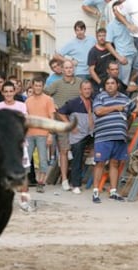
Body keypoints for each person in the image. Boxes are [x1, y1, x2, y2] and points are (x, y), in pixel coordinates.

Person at [92, 76, 135, 203]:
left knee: (115, 163)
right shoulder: (100, 97)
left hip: (119, 135)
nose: (110, 85)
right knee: (100, 163)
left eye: (112, 83)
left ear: (117, 85)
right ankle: (95, 192)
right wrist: (116, 107)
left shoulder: (125, 98)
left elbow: (134, 111)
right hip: (103, 136)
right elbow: (98, 111)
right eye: (107, 83)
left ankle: (113, 191)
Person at [0, 81, 32, 212]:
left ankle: (24, 201)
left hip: (19, 144)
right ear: (2, 92)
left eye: (11, 91)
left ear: (15, 92)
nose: (9, 94)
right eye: (6, 91)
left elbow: (25, 124)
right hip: (2, 146)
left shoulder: (21, 105)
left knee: (24, 172)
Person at [45, 60, 82, 191]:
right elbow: (44, 93)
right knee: (64, 151)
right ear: (63, 69)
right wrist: (52, 105)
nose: (68, 70)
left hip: (77, 120)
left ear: (73, 69)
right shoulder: (57, 83)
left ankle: (76, 179)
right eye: (66, 68)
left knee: (78, 150)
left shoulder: (80, 82)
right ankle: (65, 179)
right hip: (61, 121)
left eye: (70, 67)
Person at [58, 80, 94, 194]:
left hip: (91, 133)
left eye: (89, 89)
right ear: (80, 90)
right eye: (85, 89)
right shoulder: (73, 102)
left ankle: (91, 157)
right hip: (78, 136)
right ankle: (76, 185)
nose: (87, 91)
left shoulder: (94, 102)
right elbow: (60, 112)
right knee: (77, 157)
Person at [25, 77, 56, 193]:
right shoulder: (28, 101)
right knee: (26, 159)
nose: (37, 88)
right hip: (29, 134)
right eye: (36, 85)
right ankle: (24, 182)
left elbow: (52, 118)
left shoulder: (48, 99)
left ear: (43, 87)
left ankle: (41, 182)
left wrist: (50, 134)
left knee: (43, 160)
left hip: (43, 134)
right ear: (32, 86)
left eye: (40, 85)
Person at [105, 1, 138, 86]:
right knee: (123, 82)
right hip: (124, 56)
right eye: (115, 11)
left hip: (135, 53)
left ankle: (132, 83)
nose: (117, 12)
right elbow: (107, 44)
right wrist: (118, 57)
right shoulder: (111, 26)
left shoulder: (130, 19)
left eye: (119, 10)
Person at [87, 27, 115, 94]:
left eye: (104, 36)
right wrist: (100, 83)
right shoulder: (93, 51)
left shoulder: (111, 48)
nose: (102, 38)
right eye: (100, 36)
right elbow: (91, 70)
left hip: (111, 80)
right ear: (96, 37)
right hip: (99, 81)